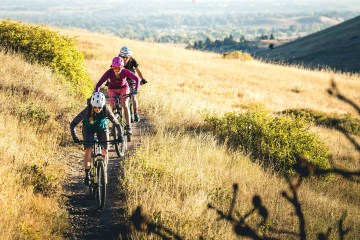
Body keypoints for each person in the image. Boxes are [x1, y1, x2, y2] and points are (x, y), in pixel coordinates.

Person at [70, 92, 122, 185]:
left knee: (105, 150)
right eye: (95, 107)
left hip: (102, 128)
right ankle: (87, 174)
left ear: (103, 106)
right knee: (88, 149)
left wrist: (120, 136)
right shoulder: (87, 110)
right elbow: (73, 124)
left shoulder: (106, 109)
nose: (97, 109)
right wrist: (75, 137)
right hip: (88, 129)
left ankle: (104, 170)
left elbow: (116, 123)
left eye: (99, 107)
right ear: (92, 105)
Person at [94, 56, 140, 135]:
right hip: (112, 89)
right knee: (113, 106)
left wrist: (136, 89)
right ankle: (114, 126)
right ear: (112, 66)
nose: (117, 70)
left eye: (119, 68)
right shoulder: (109, 72)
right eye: (114, 67)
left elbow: (137, 79)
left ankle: (128, 127)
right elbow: (98, 84)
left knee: (124, 104)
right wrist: (97, 93)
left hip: (123, 88)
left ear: (122, 67)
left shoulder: (125, 71)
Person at [119, 46, 147, 122]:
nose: (125, 59)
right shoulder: (117, 59)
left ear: (129, 56)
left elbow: (138, 71)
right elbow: (112, 70)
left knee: (133, 96)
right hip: (122, 79)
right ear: (120, 55)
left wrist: (142, 78)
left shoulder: (133, 60)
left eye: (127, 57)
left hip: (131, 79)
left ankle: (135, 113)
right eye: (123, 57)